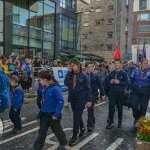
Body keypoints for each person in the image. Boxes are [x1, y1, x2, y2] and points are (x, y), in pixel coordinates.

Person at [34, 69, 67, 150]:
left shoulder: (55, 88)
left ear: (45, 80)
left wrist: (56, 114)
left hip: (53, 115)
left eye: (40, 80)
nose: (39, 81)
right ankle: (37, 148)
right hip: (44, 114)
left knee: (58, 131)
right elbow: (41, 95)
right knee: (41, 133)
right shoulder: (44, 86)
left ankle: (63, 143)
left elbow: (60, 101)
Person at [64, 58, 92, 146]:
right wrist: (69, 72)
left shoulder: (83, 75)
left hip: (81, 99)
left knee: (76, 116)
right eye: (71, 65)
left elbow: (88, 89)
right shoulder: (70, 74)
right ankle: (82, 127)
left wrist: (89, 100)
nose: (72, 67)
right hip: (73, 98)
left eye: (74, 65)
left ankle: (74, 136)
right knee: (77, 114)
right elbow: (66, 83)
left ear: (78, 65)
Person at [106, 60, 129, 129]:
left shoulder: (124, 73)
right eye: (115, 63)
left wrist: (119, 82)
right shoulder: (112, 72)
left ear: (121, 65)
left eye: (118, 63)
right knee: (111, 108)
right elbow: (107, 80)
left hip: (120, 93)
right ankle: (110, 122)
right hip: (112, 92)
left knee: (120, 107)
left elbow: (127, 83)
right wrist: (111, 81)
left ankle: (120, 122)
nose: (116, 65)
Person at [129, 58, 150, 125]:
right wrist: (130, 88)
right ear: (141, 63)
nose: (146, 64)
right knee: (134, 106)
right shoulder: (135, 71)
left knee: (143, 107)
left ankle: (141, 121)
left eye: (147, 63)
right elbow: (131, 80)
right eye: (144, 63)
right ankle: (136, 117)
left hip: (145, 92)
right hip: (135, 92)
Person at [86, 63, 105, 132]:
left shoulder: (96, 76)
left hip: (93, 93)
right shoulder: (84, 75)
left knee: (90, 107)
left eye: (92, 67)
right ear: (87, 68)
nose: (91, 68)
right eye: (89, 67)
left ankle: (90, 125)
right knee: (90, 109)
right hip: (86, 94)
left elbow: (100, 86)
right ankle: (92, 120)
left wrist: (102, 94)